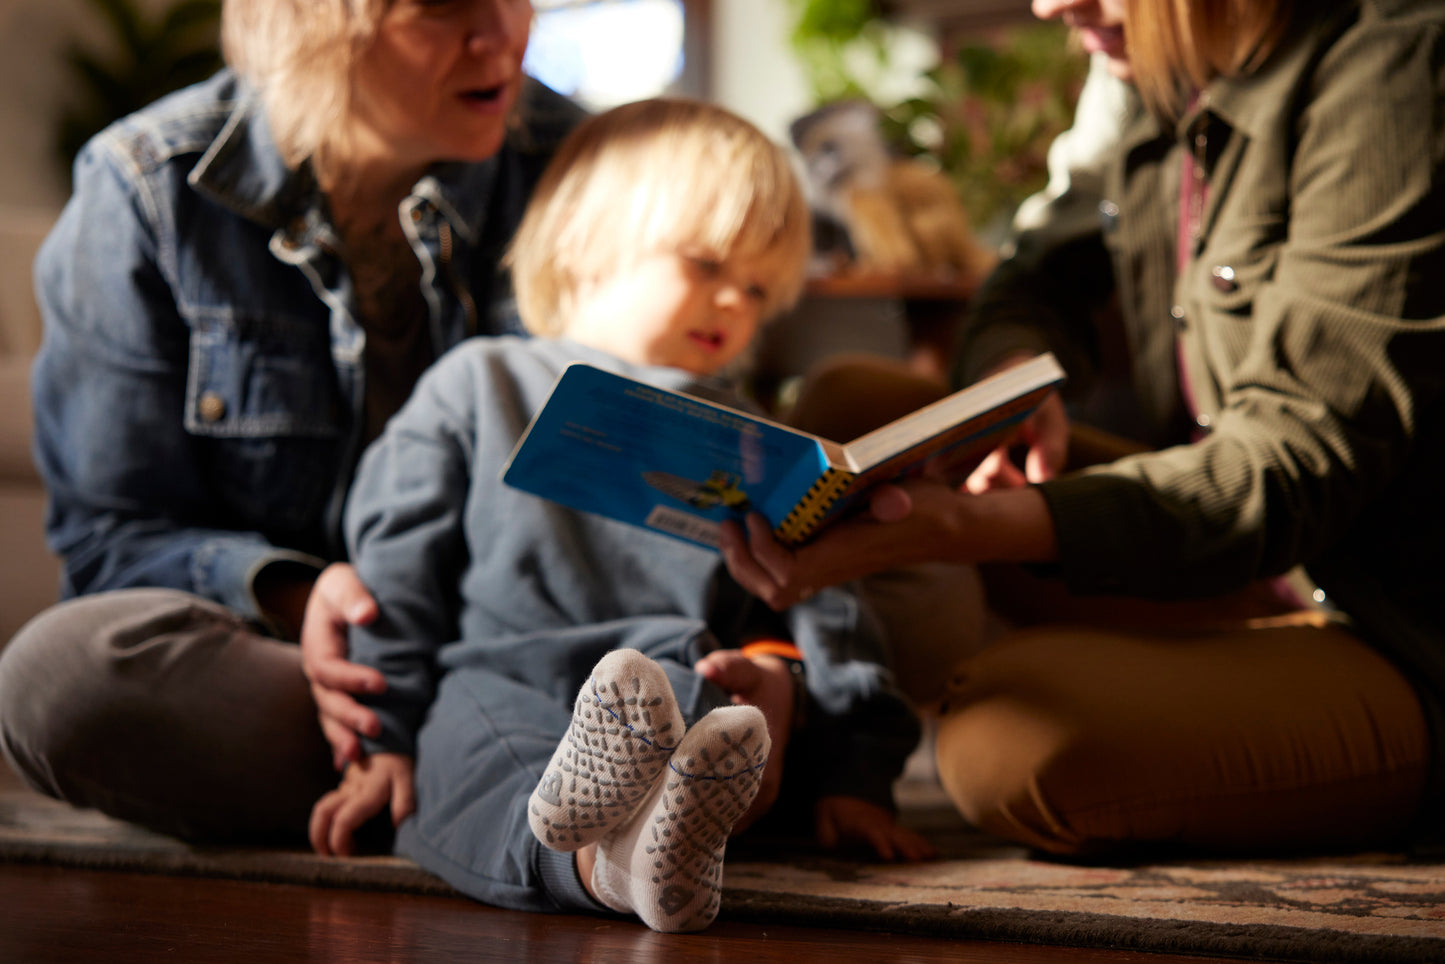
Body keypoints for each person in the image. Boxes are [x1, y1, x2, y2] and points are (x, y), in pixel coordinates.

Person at [719, 0, 1445, 858]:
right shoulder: (1146, 61)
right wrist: (1012, 380)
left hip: (1389, 623)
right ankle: (775, 711)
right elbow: (1033, 272)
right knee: (845, 414)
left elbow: (1289, 468)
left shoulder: (1395, 57)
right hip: (1250, 556)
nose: (1048, 4)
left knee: (1005, 743)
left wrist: (957, 529)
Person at [304, 98, 931, 933]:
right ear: (584, 242)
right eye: (706, 264)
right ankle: (604, 868)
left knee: (717, 721)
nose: (733, 304)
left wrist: (854, 771)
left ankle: (649, 844)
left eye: (756, 289)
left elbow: (829, 606)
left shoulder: (760, 442)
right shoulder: (479, 382)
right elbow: (395, 567)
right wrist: (380, 743)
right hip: (506, 673)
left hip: (680, 676)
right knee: (467, 758)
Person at [0, 0, 585, 842]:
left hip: (522, 651)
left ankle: (469, 795)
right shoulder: (146, 186)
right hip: (308, 676)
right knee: (60, 680)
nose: (502, 34)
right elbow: (112, 539)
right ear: (312, 22)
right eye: (446, 7)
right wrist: (299, 596)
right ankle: (510, 795)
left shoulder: (587, 165)